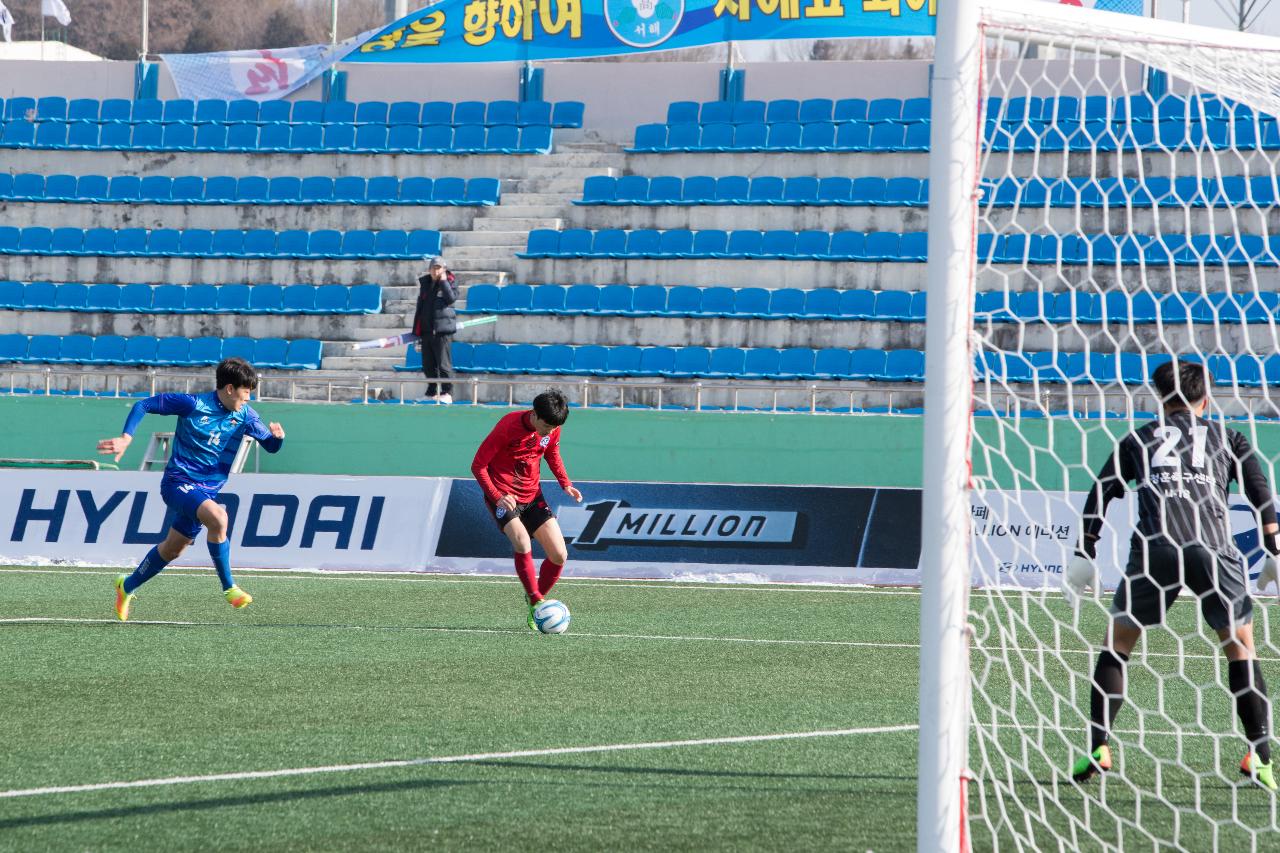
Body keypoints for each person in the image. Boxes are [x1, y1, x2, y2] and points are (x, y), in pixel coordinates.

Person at [1065, 358, 1280, 790]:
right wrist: (1273, 546)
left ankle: (1099, 746)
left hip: (1155, 548)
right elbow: (1260, 491)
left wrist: (1084, 550)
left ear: (1159, 396)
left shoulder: (1139, 439)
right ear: (1207, 397)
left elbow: (1102, 491)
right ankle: (1260, 757)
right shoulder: (1229, 437)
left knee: (1118, 643)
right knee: (1241, 648)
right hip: (1214, 548)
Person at [96, 357, 286, 621]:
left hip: (205, 492)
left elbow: (270, 446)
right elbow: (144, 404)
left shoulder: (245, 414)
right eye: (245, 392)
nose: (248, 398)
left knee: (173, 549)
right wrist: (126, 437)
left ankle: (126, 586)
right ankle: (229, 588)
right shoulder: (193, 404)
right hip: (178, 482)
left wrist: (278, 438)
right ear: (229, 389)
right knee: (219, 518)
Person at [471, 390, 583, 629]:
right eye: (546, 426)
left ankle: (536, 597)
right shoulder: (508, 426)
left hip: (532, 495)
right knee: (522, 541)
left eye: (554, 428)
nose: (550, 432)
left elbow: (552, 453)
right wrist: (497, 496)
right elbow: (478, 466)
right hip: (503, 496)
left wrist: (566, 483)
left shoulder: (551, 428)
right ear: (533, 414)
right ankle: (535, 603)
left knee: (559, 554)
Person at [413, 256, 458, 404]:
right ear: (429, 269)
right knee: (428, 365)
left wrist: (444, 281)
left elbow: (451, 299)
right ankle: (431, 391)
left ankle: (447, 393)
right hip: (426, 331)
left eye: (439, 268)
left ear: (444, 269)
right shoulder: (425, 283)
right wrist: (417, 331)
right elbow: (420, 307)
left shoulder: (450, 281)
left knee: (444, 365)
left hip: (442, 331)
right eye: (433, 267)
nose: (436, 270)